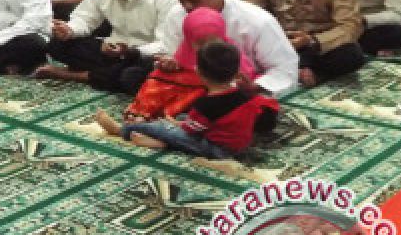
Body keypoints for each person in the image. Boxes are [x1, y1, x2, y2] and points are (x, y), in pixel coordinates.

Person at [36, 0, 182, 93]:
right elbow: (85, 18)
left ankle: (77, 75)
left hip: (144, 55)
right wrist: (69, 30)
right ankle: (104, 73)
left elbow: (166, 45)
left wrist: (131, 52)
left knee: (131, 77)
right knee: (57, 45)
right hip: (111, 50)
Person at [96, 41, 278, 161]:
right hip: (239, 145)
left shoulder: (206, 103)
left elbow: (189, 130)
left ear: (198, 72)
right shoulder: (245, 95)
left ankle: (123, 130)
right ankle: (159, 142)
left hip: (216, 149)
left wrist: (175, 124)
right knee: (182, 118)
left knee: (165, 128)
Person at [162, 0, 299, 96]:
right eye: (181, 1)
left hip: (246, 94)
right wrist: (169, 64)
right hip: (189, 91)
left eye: (194, 0)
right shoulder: (176, 15)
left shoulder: (257, 20)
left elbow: (285, 70)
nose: (187, 7)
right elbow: (172, 55)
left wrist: (254, 86)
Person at [106, 7, 258, 126]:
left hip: (211, 97)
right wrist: (167, 65)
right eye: (200, 43)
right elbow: (175, 68)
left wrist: (242, 85)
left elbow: (241, 81)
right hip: (181, 90)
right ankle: (143, 113)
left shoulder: (229, 53)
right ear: (190, 39)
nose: (207, 47)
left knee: (205, 103)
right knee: (147, 77)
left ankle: (163, 121)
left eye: (213, 41)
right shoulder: (184, 50)